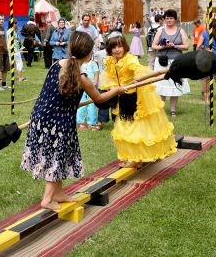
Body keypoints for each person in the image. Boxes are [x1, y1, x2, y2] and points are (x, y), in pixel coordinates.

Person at [21, 31, 124, 210]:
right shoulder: (82, 77)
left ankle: (59, 194)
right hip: (58, 123)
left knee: (56, 155)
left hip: (40, 117)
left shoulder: (56, 64)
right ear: (89, 53)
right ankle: (47, 199)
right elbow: (99, 99)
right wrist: (115, 91)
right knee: (57, 157)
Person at [100, 34, 177, 169]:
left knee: (133, 129)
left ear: (124, 47)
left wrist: (138, 78)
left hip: (133, 98)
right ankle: (133, 157)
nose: (117, 49)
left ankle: (136, 159)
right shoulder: (110, 61)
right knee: (124, 128)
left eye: (120, 46)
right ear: (109, 49)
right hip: (121, 97)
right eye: (113, 47)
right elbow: (109, 77)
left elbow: (138, 69)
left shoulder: (130, 59)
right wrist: (113, 88)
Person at [152, 9, 190, 116]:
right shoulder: (160, 31)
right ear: (164, 19)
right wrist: (163, 46)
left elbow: (186, 46)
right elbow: (154, 46)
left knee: (175, 84)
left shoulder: (180, 31)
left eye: (171, 18)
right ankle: (160, 109)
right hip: (162, 62)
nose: (169, 20)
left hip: (176, 61)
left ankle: (173, 110)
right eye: (167, 18)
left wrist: (175, 46)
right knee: (162, 83)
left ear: (175, 19)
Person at [198, 18, 216, 102]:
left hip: (206, 57)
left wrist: (205, 49)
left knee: (205, 77)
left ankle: (207, 98)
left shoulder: (204, 33)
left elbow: (198, 46)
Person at [76, 55, 99, 130]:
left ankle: (91, 123)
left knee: (92, 105)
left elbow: (96, 74)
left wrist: (95, 83)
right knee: (81, 104)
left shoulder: (93, 63)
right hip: (80, 87)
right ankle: (80, 122)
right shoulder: (79, 64)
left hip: (91, 87)